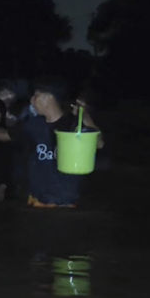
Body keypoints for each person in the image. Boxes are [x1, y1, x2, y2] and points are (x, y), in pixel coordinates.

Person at [23, 77, 103, 207]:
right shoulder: (32, 124)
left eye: (36, 96)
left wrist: (85, 117)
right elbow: (7, 136)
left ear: (48, 98)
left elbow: (99, 143)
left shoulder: (74, 124)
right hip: (37, 201)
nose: (32, 100)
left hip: (66, 202)